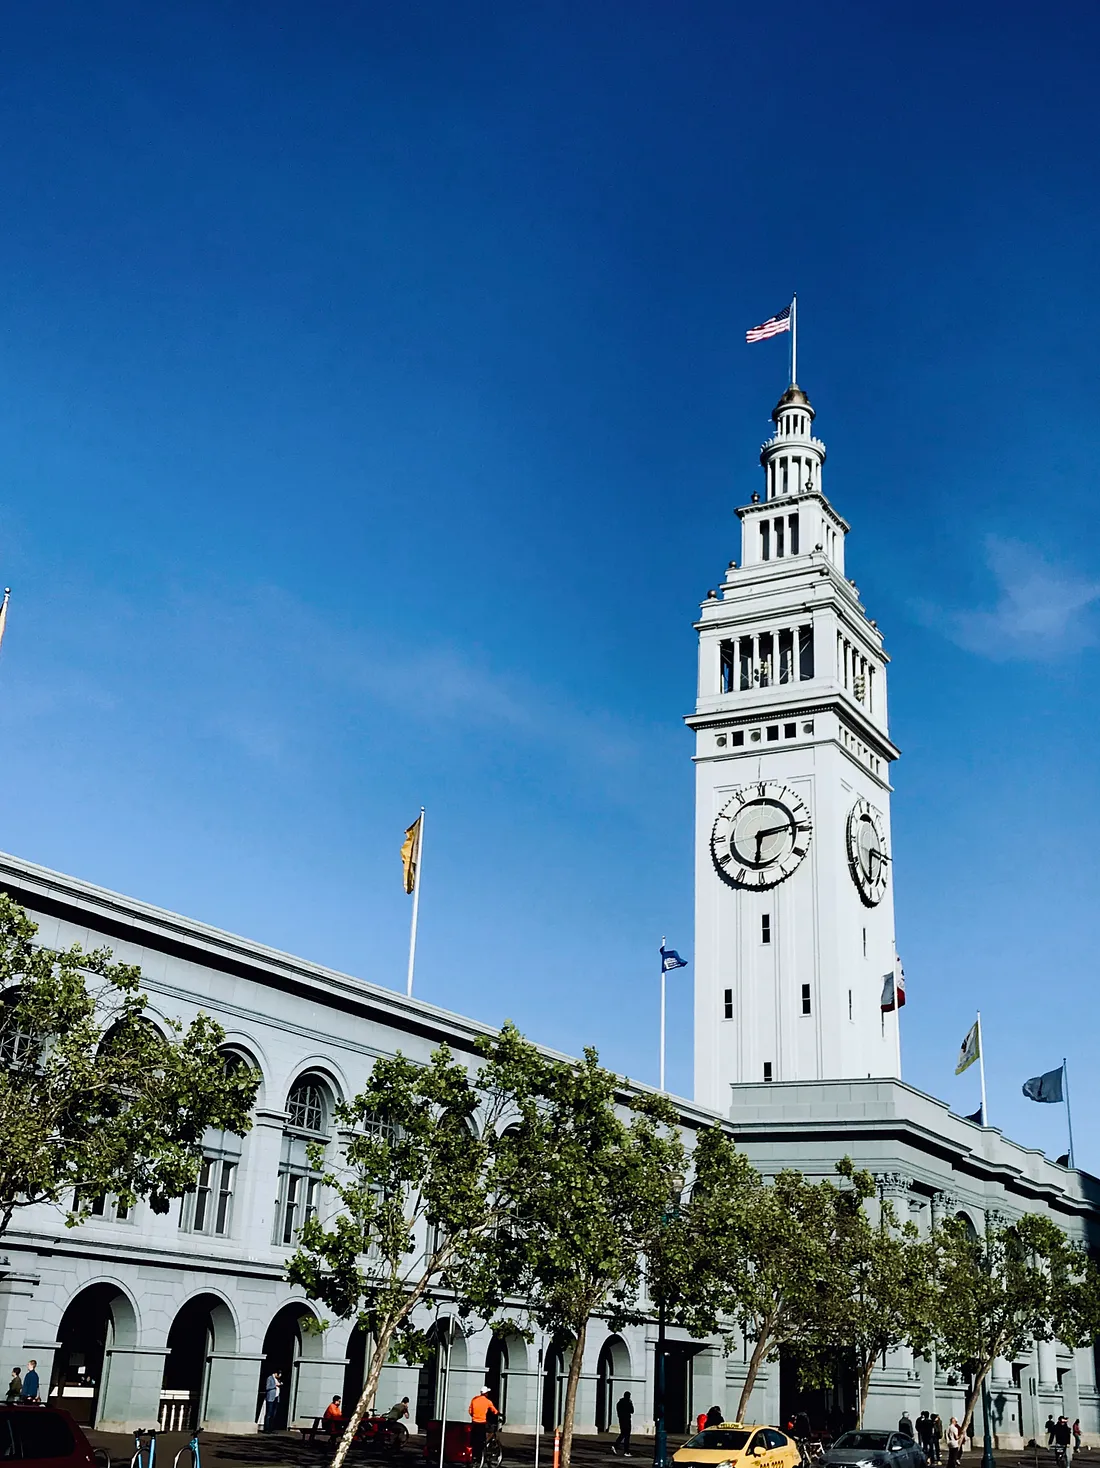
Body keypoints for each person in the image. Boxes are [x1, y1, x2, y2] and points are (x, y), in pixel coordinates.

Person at [468, 1386, 498, 1466]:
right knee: (490, 1431)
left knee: (474, 1439)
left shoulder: (474, 1399)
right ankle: (484, 1446)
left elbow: (470, 1411)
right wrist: (498, 1414)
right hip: (482, 1423)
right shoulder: (488, 1401)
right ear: (486, 1393)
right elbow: (494, 1411)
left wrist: (475, 1416)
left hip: (474, 1422)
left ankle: (474, 1455)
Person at [613, 1391, 633, 1457]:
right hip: (627, 1420)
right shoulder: (628, 1402)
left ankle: (615, 1445)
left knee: (623, 1434)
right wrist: (631, 1403)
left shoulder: (619, 1403)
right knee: (627, 1436)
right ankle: (626, 1451)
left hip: (621, 1420)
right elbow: (632, 1411)